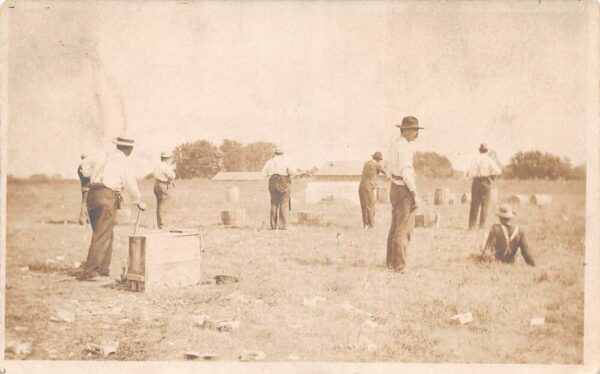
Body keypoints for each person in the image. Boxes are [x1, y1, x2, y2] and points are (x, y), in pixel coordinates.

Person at [78, 133, 147, 280]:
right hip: (107, 196)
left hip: (92, 194)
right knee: (102, 234)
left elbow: (83, 166)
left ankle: (103, 269)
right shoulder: (125, 163)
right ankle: (90, 272)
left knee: (105, 232)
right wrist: (138, 200)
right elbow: (131, 185)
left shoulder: (102, 155)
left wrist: (90, 177)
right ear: (129, 149)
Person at [383, 116, 423, 273]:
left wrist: (392, 178)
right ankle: (399, 265)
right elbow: (406, 172)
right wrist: (414, 193)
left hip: (395, 187)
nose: (416, 133)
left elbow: (386, 166)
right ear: (405, 130)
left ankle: (391, 262)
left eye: (417, 130)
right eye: (414, 130)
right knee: (404, 229)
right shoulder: (404, 147)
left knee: (395, 227)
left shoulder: (394, 145)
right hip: (404, 189)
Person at [467, 143, 502, 230]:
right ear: (487, 151)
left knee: (474, 204)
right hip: (485, 182)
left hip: (475, 182)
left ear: (479, 150)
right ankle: (482, 227)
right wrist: (490, 174)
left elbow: (469, 173)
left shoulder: (474, 159)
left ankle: (471, 226)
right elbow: (499, 171)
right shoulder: (489, 159)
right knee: (485, 205)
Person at [261, 146, 292, 230]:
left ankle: (273, 225)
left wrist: (271, 174)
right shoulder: (286, 161)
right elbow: (292, 172)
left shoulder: (269, 162)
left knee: (273, 204)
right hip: (284, 182)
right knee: (283, 204)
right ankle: (282, 225)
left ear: (275, 153)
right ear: (282, 153)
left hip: (272, 182)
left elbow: (263, 174)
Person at [358, 152, 386, 228]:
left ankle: (366, 225)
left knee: (364, 206)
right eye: (380, 160)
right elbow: (386, 172)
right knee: (370, 206)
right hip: (368, 187)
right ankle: (370, 225)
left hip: (361, 187)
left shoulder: (366, 163)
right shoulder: (377, 164)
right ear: (378, 159)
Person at [153, 151, 176, 230]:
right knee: (163, 205)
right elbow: (172, 175)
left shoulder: (158, 166)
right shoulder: (166, 166)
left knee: (159, 204)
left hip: (156, 185)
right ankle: (162, 225)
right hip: (163, 185)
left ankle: (160, 223)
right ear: (167, 159)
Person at [77, 153, 91, 225]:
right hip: (87, 187)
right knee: (85, 203)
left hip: (84, 187)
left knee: (85, 203)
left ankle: (85, 219)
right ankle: (83, 220)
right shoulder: (84, 167)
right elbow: (87, 177)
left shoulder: (80, 167)